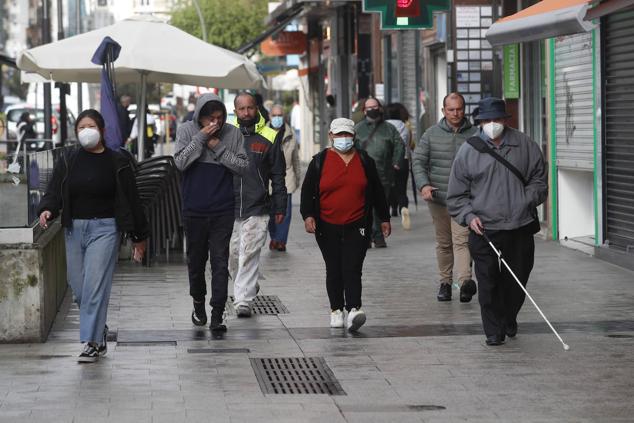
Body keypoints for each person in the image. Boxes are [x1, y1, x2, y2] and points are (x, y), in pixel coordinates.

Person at [37, 109, 148, 362]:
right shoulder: (68, 159)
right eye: (80, 127)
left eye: (90, 126)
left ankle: (92, 342)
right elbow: (54, 190)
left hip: (106, 229)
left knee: (95, 286)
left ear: (102, 131)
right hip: (74, 229)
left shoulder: (117, 161)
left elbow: (132, 200)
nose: (85, 131)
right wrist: (46, 210)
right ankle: (99, 327)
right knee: (78, 289)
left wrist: (139, 237)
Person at [446, 97, 548, 346]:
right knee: (488, 281)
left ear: (505, 120)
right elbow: (456, 195)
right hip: (484, 229)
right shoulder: (469, 151)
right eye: (487, 120)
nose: (493, 124)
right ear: (480, 122)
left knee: (517, 280)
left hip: (520, 225)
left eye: (497, 119)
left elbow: (539, 180)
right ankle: (493, 330)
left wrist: (525, 200)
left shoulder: (525, 145)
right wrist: (469, 217)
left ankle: (508, 315)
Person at [301, 118, 391, 331]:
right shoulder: (319, 161)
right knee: (334, 268)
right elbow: (307, 192)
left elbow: (377, 191)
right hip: (327, 224)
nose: (343, 139)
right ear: (331, 136)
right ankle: (336, 310)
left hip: (357, 223)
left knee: (352, 267)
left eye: (347, 135)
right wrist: (308, 216)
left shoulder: (365, 161)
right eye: (339, 134)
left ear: (354, 136)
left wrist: (384, 218)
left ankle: (354, 309)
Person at [174, 93, 249, 333]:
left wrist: (218, 147)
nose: (215, 123)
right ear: (199, 117)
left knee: (219, 261)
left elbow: (241, 167)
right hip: (193, 209)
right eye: (210, 119)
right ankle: (198, 303)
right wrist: (200, 138)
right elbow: (180, 163)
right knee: (196, 263)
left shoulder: (232, 133)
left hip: (222, 209)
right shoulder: (186, 130)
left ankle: (217, 313)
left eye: (220, 118)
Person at [412, 93, 479, 303]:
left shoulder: (476, 135)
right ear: (443, 111)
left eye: (459, 109)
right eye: (451, 109)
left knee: (462, 240)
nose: (455, 113)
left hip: (465, 199)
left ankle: (465, 282)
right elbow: (418, 162)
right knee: (444, 243)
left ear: (464, 109)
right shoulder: (431, 134)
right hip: (438, 197)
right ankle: (445, 283)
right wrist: (423, 185)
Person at [229, 92, 286, 318]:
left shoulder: (270, 136)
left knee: (249, 252)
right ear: (235, 111)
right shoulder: (227, 135)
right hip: (229, 206)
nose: (246, 113)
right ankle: (249, 285)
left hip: (258, 206)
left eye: (250, 108)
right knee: (232, 254)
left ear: (257, 109)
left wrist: (280, 206)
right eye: (241, 109)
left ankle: (243, 300)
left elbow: (278, 175)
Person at [354, 97, 403, 248]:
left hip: (384, 174)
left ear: (380, 108)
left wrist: (396, 162)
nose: (372, 110)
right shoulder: (358, 129)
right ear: (364, 111)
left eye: (375, 107)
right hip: (362, 174)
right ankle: (367, 235)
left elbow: (399, 144)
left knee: (381, 205)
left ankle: (379, 235)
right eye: (369, 107)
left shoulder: (389, 128)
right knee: (364, 206)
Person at [268, 104, 300, 252]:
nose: (277, 118)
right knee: (270, 213)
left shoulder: (290, 134)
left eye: (279, 115)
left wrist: (297, 178)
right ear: (269, 116)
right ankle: (274, 237)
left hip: (287, 176)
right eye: (274, 115)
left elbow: (295, 160)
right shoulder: (263, 133)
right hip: (268, 179)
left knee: (285, 213)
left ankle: (281, 241)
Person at [384, 102, 412, 230]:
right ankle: (403, 208)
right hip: (403, 161)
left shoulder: (384, 127)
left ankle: (391, 209)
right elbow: (409, 144)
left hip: (388, 162)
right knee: (402, 189)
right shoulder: (405, 127)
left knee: (389, 187)